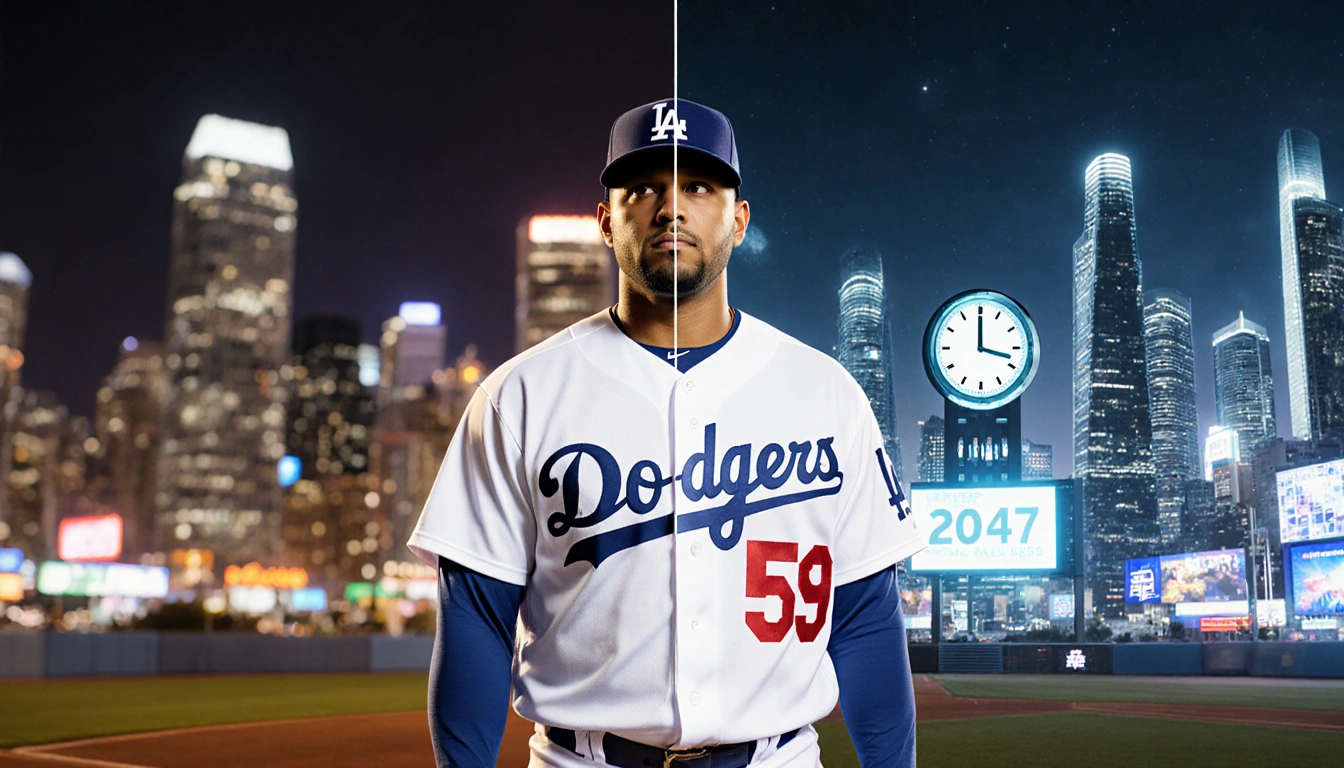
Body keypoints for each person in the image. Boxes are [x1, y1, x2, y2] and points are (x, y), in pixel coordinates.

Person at [409, 98, 924, 768]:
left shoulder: (828, 394)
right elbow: (476, 619)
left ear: (739, 220)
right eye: (644, 188)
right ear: (606, 220)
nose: (670, 209)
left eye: (699, 187)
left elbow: (865, 621)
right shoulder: (519, 395)